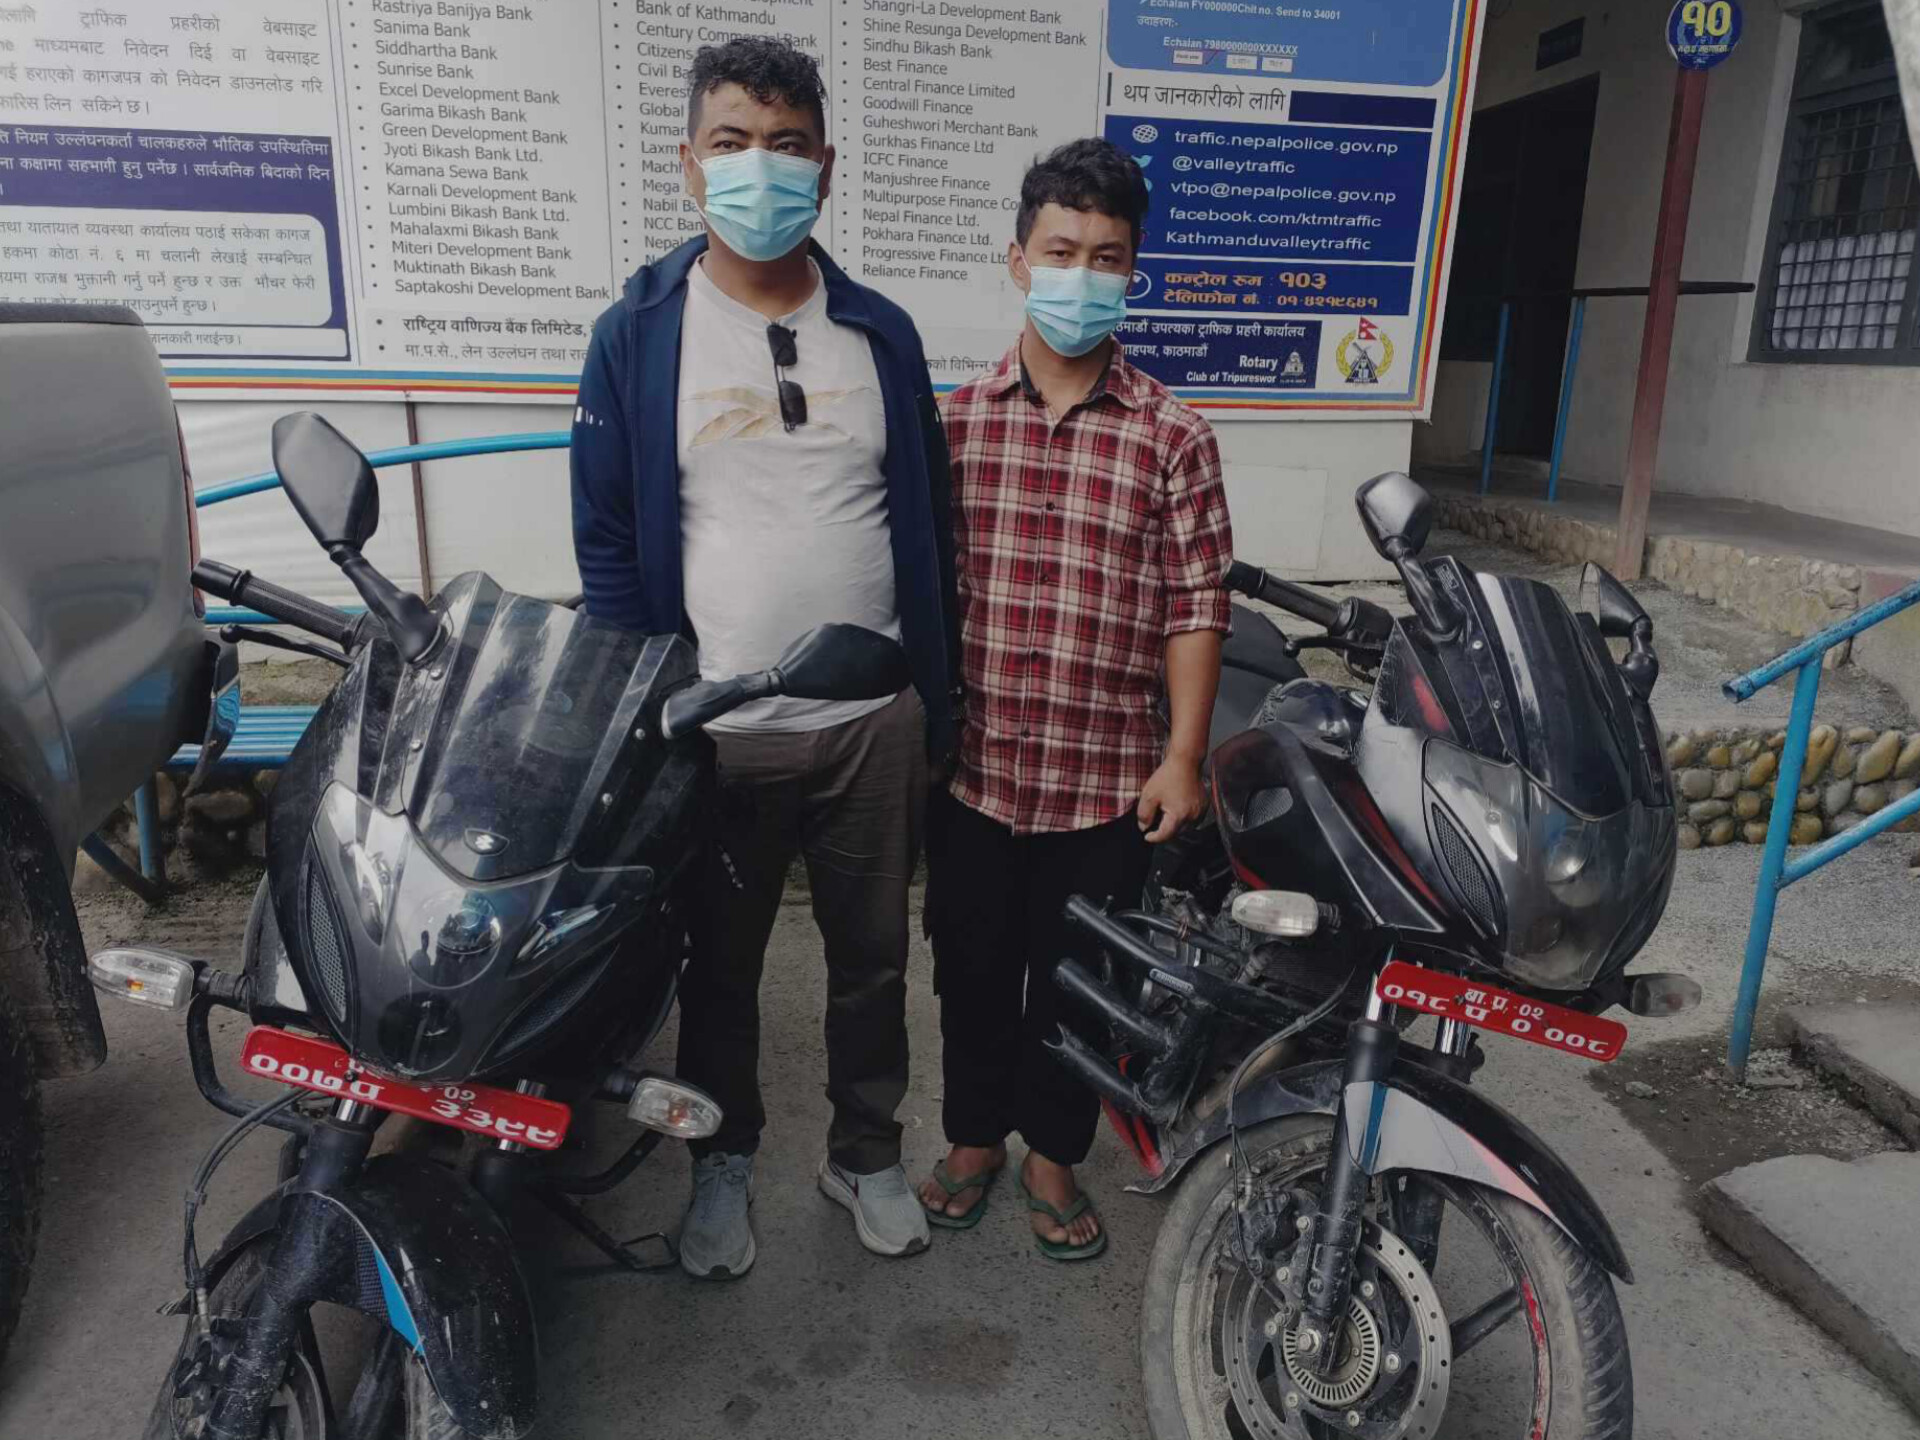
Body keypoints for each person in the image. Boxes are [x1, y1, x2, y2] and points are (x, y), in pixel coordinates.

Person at [570, 36, 957, 1277]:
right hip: (717, 732)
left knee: (872, 964)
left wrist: (935, 698)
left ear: (826, 167)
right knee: (719, 973)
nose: (761, 167)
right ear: (690, 164)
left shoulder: (881, 335)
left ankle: (866, 1152)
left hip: (871, 723)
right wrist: (651, 711)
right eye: (732, 142)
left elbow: (926, 522)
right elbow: (609, 540)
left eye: (787, 144)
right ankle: (721, 1163)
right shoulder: (639, 334)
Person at [918, 139, 1232, 1261]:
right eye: (1061, 251)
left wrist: (1183, 755)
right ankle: (972, 1139)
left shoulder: (1174, 436)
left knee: (1080, 985)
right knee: (968, 971)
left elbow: (1195, 604)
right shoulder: (955, 424)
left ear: (1132, 269)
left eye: (1106, 256)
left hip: (1105, 780)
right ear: (1019, 260)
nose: (1081, 275)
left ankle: (1053, 1155)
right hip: (977, 774)